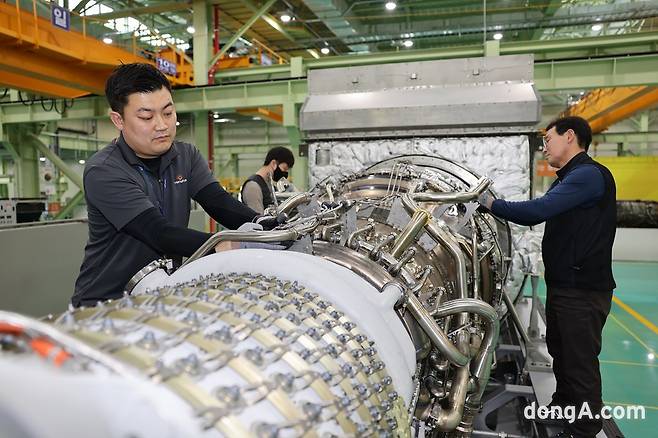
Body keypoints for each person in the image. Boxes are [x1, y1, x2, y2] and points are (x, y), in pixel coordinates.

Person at [72, 63, 269, 307]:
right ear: (118, 120)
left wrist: (264, 224)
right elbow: (158, 232)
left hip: (159, 294)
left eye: (168, 113)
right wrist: (225, 244)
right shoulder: (104, 170)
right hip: (107, 304)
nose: (162, 125)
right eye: (146, 116)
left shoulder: (185, 156)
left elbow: (218, 203)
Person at [478, 116, 616, 438]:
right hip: (566, 286)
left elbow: (536, 211)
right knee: (562, 352)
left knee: (578, 361)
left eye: (547, 139)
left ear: (569, 136)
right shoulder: (569, 177)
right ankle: (561, 407)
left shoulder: (588, 176)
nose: (544, 147)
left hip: (581, 290)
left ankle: (583, 428)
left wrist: (491, 203)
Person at [240, 147, 295, 213]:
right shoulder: (253, 186)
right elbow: (258, 218)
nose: (285, 173)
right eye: (284, 168)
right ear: (273, 163)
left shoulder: (271, 186)